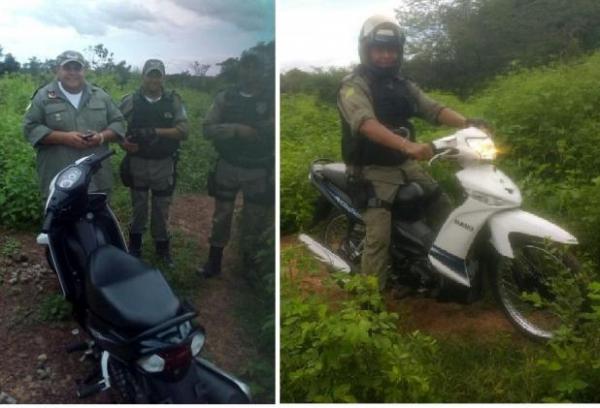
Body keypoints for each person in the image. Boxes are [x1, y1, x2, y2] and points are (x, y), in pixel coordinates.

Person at [338, 15, 488, 291]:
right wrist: (408, 146)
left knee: (441, 203)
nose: (386, 56)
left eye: (391, 50)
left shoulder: (402, 84)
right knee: (378, 234)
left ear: (399, 52)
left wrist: (467, 123)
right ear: (367, 50)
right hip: (371, 169)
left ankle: (444, 269)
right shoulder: (353, 86)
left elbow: (434, 108)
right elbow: (366, 125)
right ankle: (369, 304)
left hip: (403, 164)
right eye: (379, 49)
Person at [201, 51, 274, 278]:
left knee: (255, 220)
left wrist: (252, 132)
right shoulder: (226, 97)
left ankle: (249, 267)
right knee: (222, 215)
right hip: (228, 165)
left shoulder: (272, 98)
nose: (250, 72)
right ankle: (214, 262)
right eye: (246, 66)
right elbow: (207, 128)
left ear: (263, 71)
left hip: (259, 168)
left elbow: (273, 129)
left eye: (255, 67)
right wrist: (234, 130)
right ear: (240, 69)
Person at [23, 50, 126, 200]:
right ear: (57, 70)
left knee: (97, 222)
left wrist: (101, 137)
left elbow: (119, 123)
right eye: (67, 68)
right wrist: (63, 138)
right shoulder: (43, 96)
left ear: (84, 71)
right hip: (59, 180)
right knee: (61, 222)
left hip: (97, 179)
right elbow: (30, 128)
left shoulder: (101, 95)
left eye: (77, 68)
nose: (72, 73)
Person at [119, 59, 189, 265]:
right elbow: (114, 123)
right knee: (138, 206)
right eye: (150, 74)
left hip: (164, 163)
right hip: (138, 162)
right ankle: (135, 246)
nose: (153, 79)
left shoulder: (173, 101)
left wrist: (155, 131)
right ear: (143, 76)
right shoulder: (130, 100)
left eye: (157, 75)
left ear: (163, 77)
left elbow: (184, 131)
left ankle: (162, 248)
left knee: (161, 207)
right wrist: (123, 142)